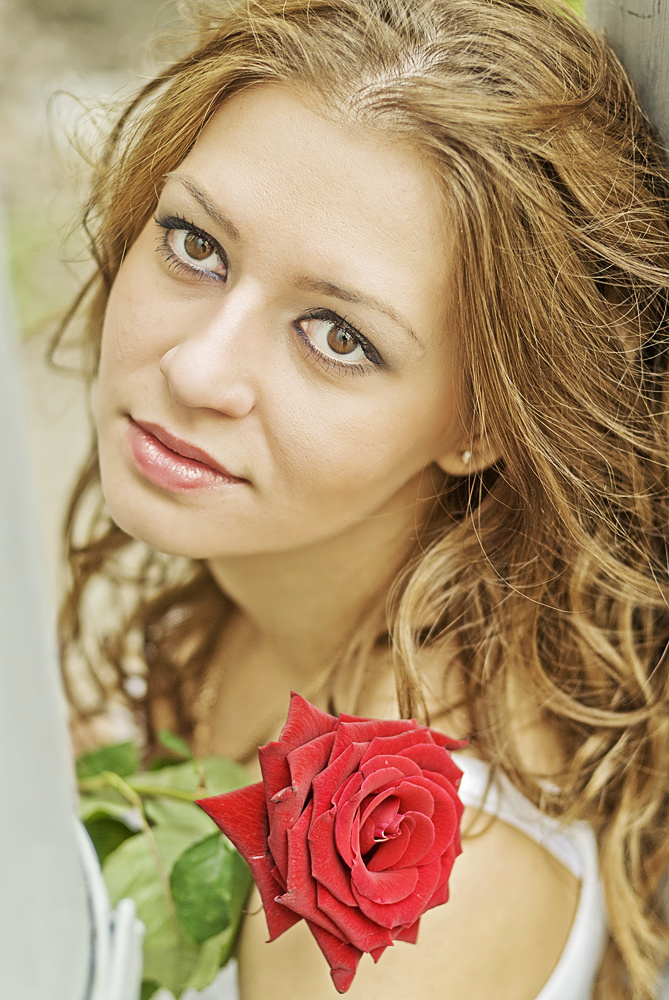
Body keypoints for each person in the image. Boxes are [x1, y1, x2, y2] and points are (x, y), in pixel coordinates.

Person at [56, 0, 669, 997]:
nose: (195, 367)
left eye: (339, 336)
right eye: (196, 244)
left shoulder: (401, 886)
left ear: (482, 423)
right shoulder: (280, 584)